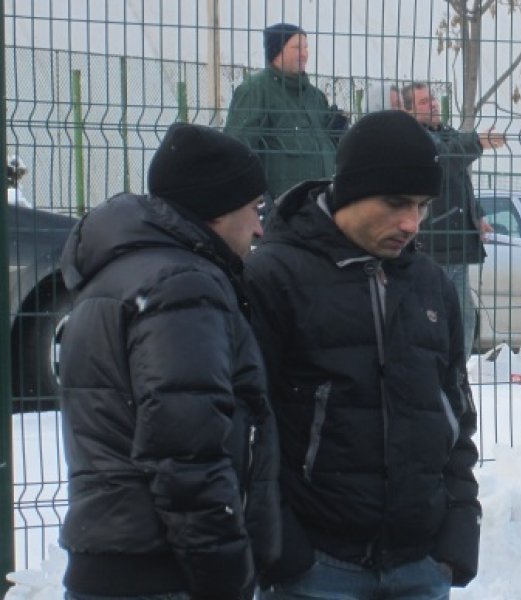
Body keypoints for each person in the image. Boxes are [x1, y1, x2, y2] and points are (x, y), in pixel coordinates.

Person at [246, 110, 481, 599]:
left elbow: (455, 419)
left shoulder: (432, 285)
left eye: (421, 206)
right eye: (396, 203)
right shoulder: (275, 276)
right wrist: (283, 545)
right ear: (350, 190)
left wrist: (458, 534)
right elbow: (247, 424)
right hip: (316, 566)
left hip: (421, 564)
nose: (411, 223)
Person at [57, 123, 281, 599]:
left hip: (109, 561)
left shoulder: (114, 273)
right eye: (255, 210)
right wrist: (226, 578)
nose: (261, 227)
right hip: (161, 572)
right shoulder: (183, 284)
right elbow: (186, 451)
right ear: (219, 210)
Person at [401, 81, 504, 358]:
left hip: (457, 242)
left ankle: (456, 372)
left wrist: (477, 215)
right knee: (437, 315)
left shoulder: (446, 134)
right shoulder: (415, 139)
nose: (433, 104)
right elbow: (443, 162)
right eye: (423, 102)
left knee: (463, 317)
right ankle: (439, 369)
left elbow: (459, 183)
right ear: (409, 111)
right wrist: (477, 142)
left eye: (432, 99)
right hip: (435, 243)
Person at [225, 22, 348, 203]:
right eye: (296, 47)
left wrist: (336, 133)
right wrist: (256, 196)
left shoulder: (315, 97)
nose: (304, 54)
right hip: (281, 205)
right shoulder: (256, 90)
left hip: (320, 200)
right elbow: (239, 146)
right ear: (277, 50)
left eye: (306, 47)